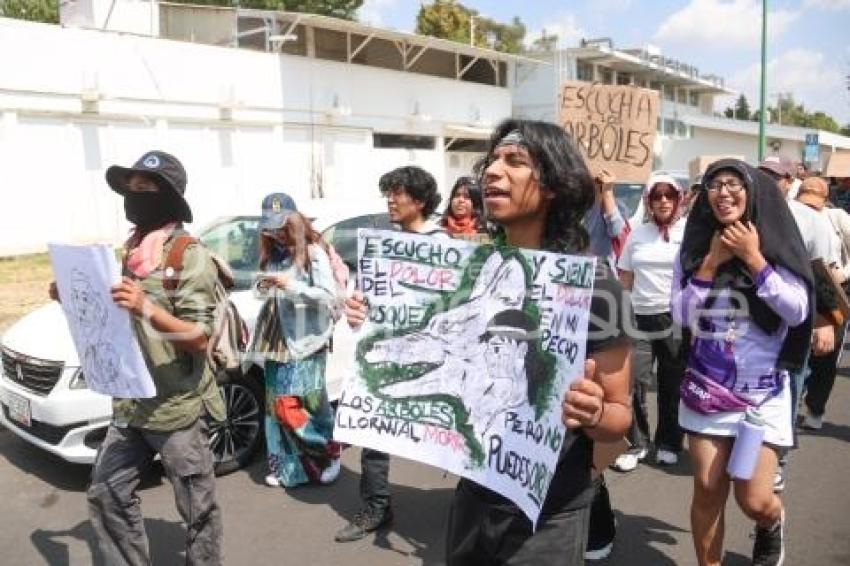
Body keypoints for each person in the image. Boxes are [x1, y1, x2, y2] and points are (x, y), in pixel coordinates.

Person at [430, 120, 627, 564]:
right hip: (473, 494)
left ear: (554, 185)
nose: (493, 172)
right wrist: (375, 318)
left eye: (514, 161)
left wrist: (593, 411)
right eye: (493, 160)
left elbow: (619, 419)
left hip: (550, 511)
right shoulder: (473, 272)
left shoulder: (593, 288)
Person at [64, 150, 224, 565]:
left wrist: (147, 308)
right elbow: (113, 320)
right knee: (106, 492)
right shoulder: (132, 252)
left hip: (177, 407)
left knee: (197, 509)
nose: (133, 197)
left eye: (145, 189)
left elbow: (201, 338)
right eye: (130, 190)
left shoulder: (187, 255)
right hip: (131, 403)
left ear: (169, 196)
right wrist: (71, 296)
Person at [673, 158, 813, 566]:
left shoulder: (778, 243)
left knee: (753, 498)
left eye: (733, 183)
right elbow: (681, 315)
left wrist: (754, 259)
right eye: (715, 185)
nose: (723, 192)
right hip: (708, 389)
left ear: (752, 193)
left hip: (762, 394)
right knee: (706, 484)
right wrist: (711, 264)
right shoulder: (697, 247)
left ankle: (771, 523)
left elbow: (797, 310)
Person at [334, 165, 446, 543]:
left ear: (419, 199)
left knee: (451, 434)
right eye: (388, 192)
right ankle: (376, 505)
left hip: (433, 358)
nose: (390, 200)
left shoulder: (444, 244)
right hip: (384, 357)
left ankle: (472, 507)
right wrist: (356, 311)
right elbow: (365, 300)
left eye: (397, 193)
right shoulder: (381, 247)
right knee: (374, 435)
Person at [250, 192, 342, 489]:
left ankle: (329, 453)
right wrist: (264, 286)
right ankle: (289, 469)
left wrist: (290, 285)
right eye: (269, 226)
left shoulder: (314, 252)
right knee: (274, 409)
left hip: (306, 340)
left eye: (280, 225)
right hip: (275, 339)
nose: (274, 231)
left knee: (300, 406)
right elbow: (263, 293)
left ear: (294, 221)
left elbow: (329, 298)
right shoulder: (273, 251)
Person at [614, 174, 688, 472]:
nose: (663, 201)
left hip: (675, 319)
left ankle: (669, 442)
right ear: (649, 201)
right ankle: (637, 442)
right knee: (635, 383)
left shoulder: (689, 233)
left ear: (679, 199)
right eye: (657, 196)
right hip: (639, 319)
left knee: (672, 384)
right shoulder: (637, 234)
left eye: (669, 195)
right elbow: (625, 278)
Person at [796, 177, 850, 430]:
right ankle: (794, 397)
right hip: (800, 290)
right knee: (798, 350)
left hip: (833, 290)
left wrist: (844, 274)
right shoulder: (792, 216)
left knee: (825, 355)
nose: (810, 208)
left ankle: (815, 407)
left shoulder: (837, 218)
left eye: (815, 203)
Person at [584, 167, 629, 272]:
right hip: (577, 270)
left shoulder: (617, 207)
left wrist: (607, 192)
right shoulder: (579, 208)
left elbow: (616, 231)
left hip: (602, 272)